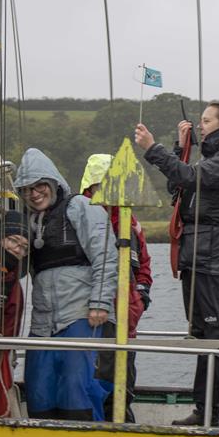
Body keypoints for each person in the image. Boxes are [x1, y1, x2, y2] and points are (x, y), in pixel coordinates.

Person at [134, 100, 219, 428]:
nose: (200, 124)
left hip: (216, 256)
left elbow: (190, 177)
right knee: (203, 336)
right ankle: (206, 409)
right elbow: (178, 185)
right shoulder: (217, 158)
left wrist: (154, 149)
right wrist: (181, 148)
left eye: (206, 120)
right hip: (198, 254)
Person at [13, 148, 118, 421]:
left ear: (53, 183)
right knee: (39, 391)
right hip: (42, 323)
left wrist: (100, 303)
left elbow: (106, 255)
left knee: (78, 389)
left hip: (82, 315)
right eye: (26, 189)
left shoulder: (80, 207)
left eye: (39, 186)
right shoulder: (26, 222)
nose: (34, 194)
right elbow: (21, 273)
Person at [79, 153, 154, 422]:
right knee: (100, 380)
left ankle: (124, 427)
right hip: (98, 316)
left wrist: (143, 294)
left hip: (128, 317)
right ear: (92, 187)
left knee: (125, 380)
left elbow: (143, 262)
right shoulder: (85, 217)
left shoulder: (131, 221)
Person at [0, 210, 28, 417]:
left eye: (23, 247)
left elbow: (8, 337)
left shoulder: (14, 289)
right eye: (13, 240)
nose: (17, 249)